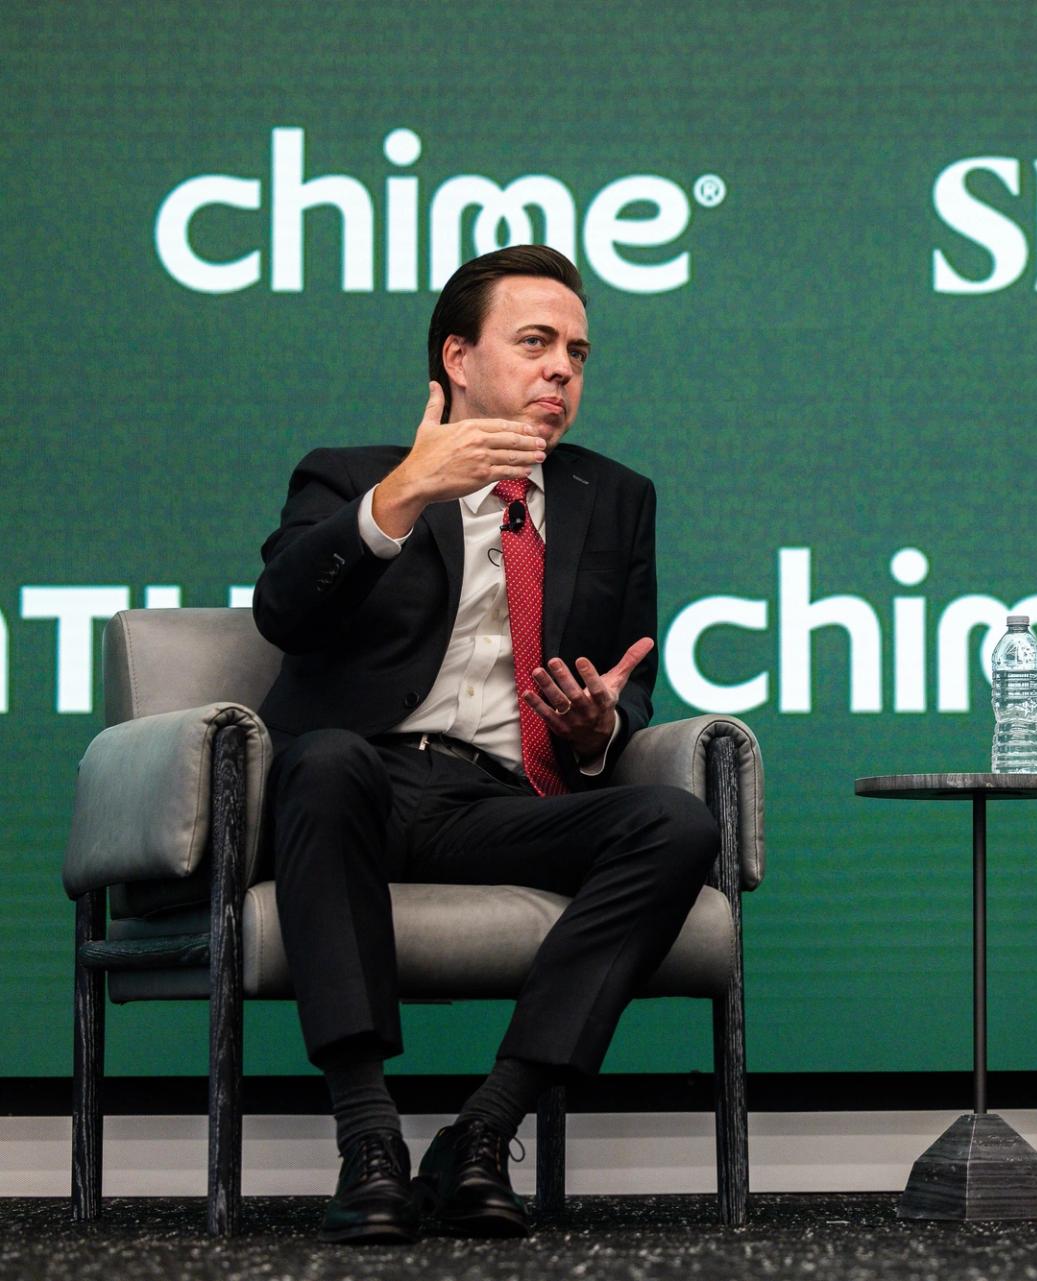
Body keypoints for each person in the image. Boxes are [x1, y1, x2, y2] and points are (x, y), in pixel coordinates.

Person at [252, 245, 717, 1244]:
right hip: (354, 789)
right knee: (324, 759)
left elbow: (627, 683)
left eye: (578, 355)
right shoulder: (352, 476)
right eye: (536, 344)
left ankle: (483, 1129)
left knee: (676, 825)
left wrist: (599, 729)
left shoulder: (615, 499)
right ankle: (367, 1136)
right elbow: (283, 611)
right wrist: (401, 499)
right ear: (459, 359)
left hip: (494, 805)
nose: (562, 372)